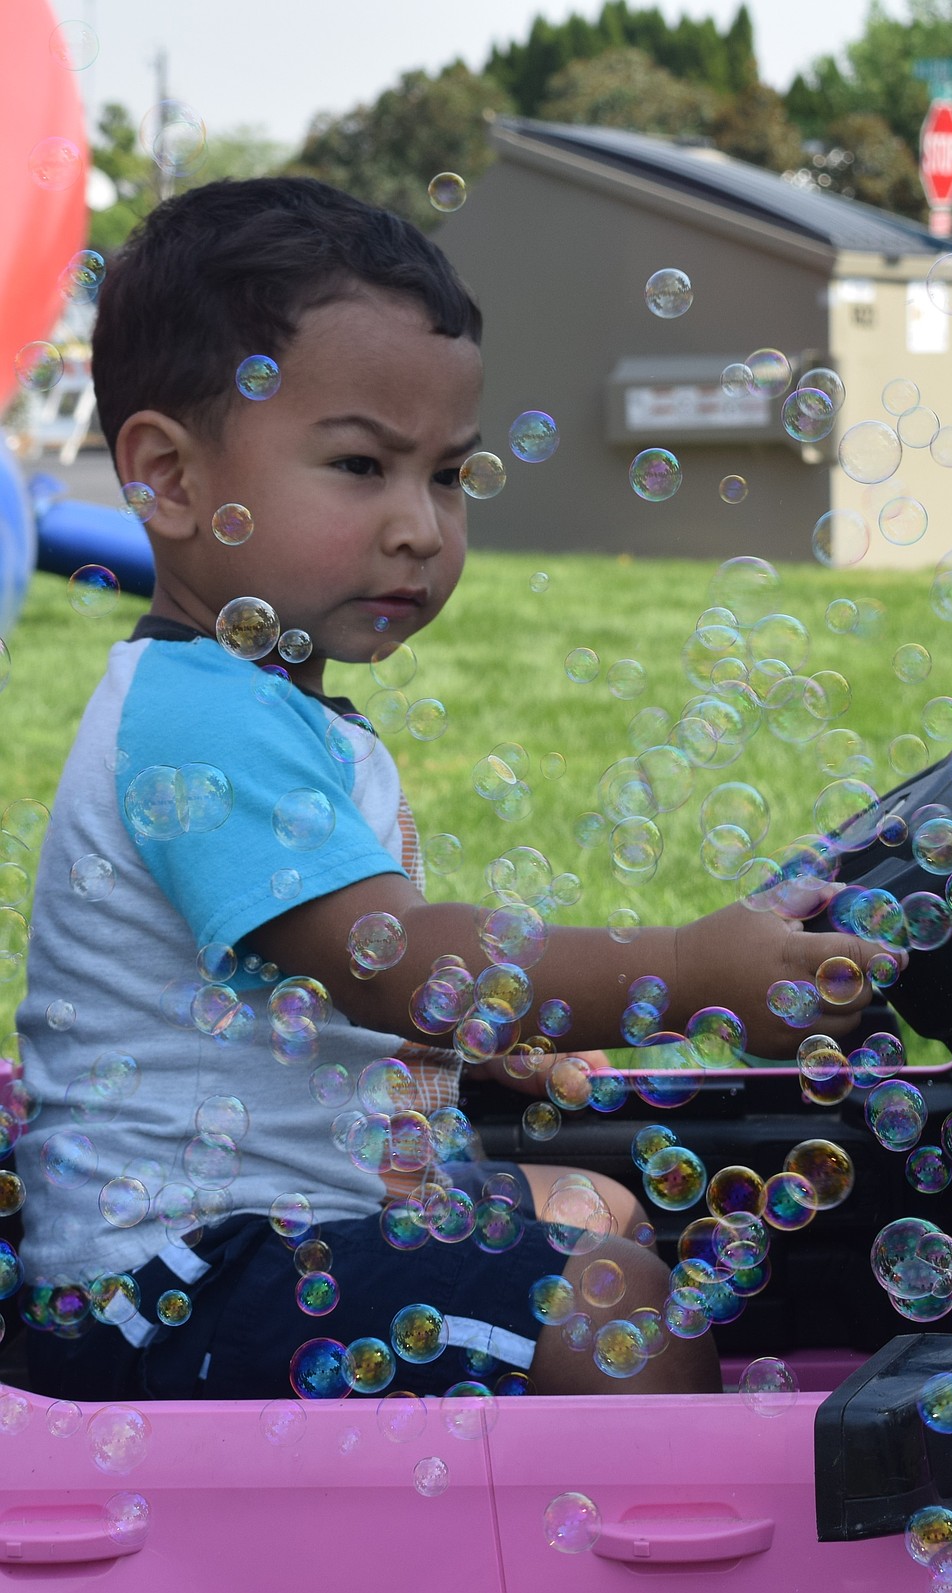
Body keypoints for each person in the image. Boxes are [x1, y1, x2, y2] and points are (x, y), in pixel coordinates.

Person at [14, 177, 890, 1403]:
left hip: (302, 1211)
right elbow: (392, 955)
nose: (421, 527)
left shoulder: (267, 698)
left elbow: (324, 986)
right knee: (620, 1308)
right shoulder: (200, 710)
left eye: (451, 477)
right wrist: (683, 972)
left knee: (597, 1205)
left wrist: (465, 1048)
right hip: (162, 1284)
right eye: (362, 465)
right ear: (164, 475)